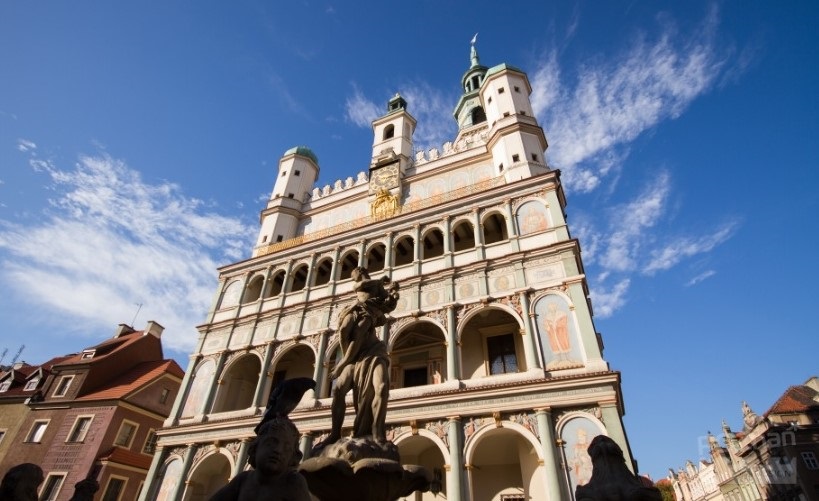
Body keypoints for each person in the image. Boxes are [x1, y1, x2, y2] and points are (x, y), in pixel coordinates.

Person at [322, 267, 399, 445]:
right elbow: (362, 285)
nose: (352, 278)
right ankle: (335, 433)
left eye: (352, 274)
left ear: (359, 271)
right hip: (354, 358)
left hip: (373, 353)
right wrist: (382, 281)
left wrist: (394, 293)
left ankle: (377, 432)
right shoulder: (362, 292)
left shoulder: (366, 319)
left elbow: (388, 304)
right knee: (338, 389)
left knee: (380, 388)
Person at [209, 417, 310, 501]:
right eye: (271, 442)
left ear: (292, 457)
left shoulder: (294, 483)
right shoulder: (243, 480)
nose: (278, 450)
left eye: (287, 448)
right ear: (256, 447)